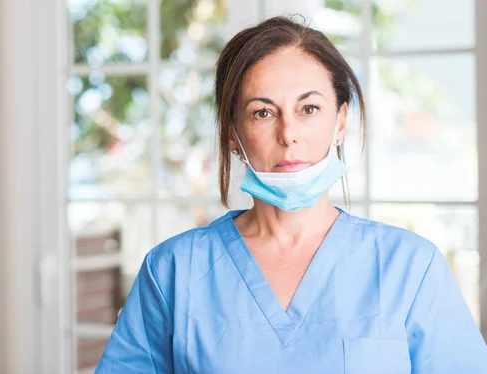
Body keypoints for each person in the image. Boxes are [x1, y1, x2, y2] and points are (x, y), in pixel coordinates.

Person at [95, 16, 487, 373]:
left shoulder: (411, 269)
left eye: (309, 108)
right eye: (263, 112)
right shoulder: (173, 272)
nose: (289, 134)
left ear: (341, 121)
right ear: (233, 132)